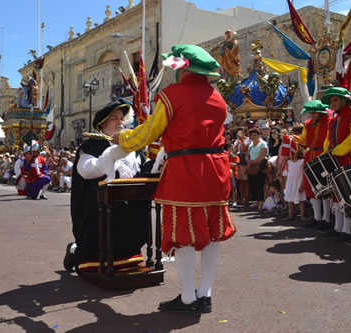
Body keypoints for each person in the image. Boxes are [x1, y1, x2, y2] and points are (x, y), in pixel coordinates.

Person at [111, 45, 236, 316]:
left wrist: (122, 138)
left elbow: (148, 133)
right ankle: (206, 294)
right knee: (212, 231)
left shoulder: (171, 95)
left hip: (186, 169)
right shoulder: (217, 97)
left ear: (183, 68)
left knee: (184, 236)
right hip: (217, 170)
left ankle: (189, 298)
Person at [63, 99, 149, 278]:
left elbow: (143, 169)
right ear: (103, 124)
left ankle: (127, 256)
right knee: (94, 241)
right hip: (99, 209)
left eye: (121, 119)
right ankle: (74, 250)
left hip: (128, 208)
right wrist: (114, 153)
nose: (120, 123)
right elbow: (89, 170)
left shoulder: (134, 149)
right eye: (114, 119)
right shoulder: (91, 146)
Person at [322, 87, 351, 242]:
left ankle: (347, 231)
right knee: (336, 195)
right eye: (331, 101)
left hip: (347, 158)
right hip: (334, 159)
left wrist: (337, 150)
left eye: (336, 100)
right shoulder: (332, 120)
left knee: (348, 195)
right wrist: (326, 152)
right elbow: (327, 139)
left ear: (344, 100)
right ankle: (338, 228)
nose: (333, 103)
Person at [293, 100, 332, 229]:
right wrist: (294, 138)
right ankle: (317, 218)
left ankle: (326, 219)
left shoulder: (329, 121)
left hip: (323, 156)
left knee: (325, 188)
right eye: (311, 112)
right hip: (310, 157)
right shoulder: (308, 124)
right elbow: (304, 141)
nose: (312, 115)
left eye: (314, 112)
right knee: (312, 188)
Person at [246, 128, 268, 210]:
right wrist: (248, 160)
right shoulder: (251, 145)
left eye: (255, 135)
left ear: (259, 135)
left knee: (260, 184)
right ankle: (256, 201)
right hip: (251, 166)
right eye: (251, 135)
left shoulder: (263, 144)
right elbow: (247, 155)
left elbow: (262, 156)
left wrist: (253, 162)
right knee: (252, 184)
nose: (253, 136)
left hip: (259, 166)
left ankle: (261, 202)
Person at [284, 146, 306, 220]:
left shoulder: (302, 161)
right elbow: (288, 173)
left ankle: (302, 215)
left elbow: (303, 174)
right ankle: (290, 215)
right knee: (290, 200)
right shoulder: (289, 162)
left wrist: (302, 185)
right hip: (290, 183)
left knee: (301, 200)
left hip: (298, 182)